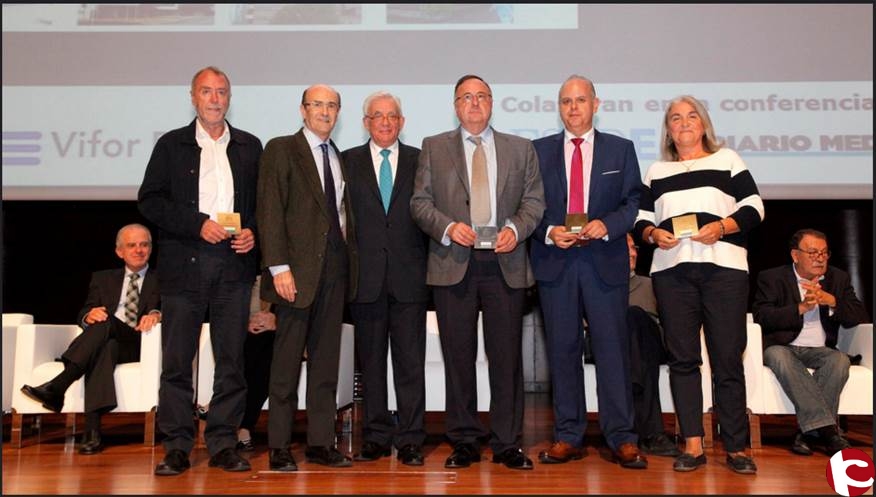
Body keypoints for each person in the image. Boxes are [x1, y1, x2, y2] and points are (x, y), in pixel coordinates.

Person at [410, 74, 545, 470]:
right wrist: (449, 228)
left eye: (481, 96)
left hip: (505, 262)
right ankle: (464, 440)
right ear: (456, 106)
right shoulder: (434, 147)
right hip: (454, 262)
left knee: (506, 358)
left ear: (492, 103)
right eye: (466, 97)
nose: (474, 103)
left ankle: (507, 442)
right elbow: (420, 203)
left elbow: (534, 202)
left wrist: (515, 230)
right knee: (458, 356)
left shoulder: (520, 149)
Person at [138, 66, 262, 475]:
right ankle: (176, 445)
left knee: (232, 361)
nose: (215, 99)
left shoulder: (249, 146)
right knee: (177, 362)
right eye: (207, 91)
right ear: (192, 97)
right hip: (185, 267)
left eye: (221, 92)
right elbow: (150, 200)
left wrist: (253, 232)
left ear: (230, 98)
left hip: (234, 267)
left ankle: (223, 442)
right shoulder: (171, 145)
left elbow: (263, 206)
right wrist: (197, 224)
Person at [634, 95, 764, 474]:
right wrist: (653, 234)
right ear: (668, 130)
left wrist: (722, 227)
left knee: (727, 358)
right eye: (675, 118)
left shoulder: (728, 160)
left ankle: (736, 447)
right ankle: (692, 443)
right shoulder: (656, 171)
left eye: (692, 116)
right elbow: (640, 220)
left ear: (704, 123)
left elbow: (755, 207)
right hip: (672, 273)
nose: (684, 122)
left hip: (724, 270)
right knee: (683, 360)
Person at [529, 75, 646, 470]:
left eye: (580, 100)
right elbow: (528, 205)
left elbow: (633, 202)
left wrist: (607, 225)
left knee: (612, 350)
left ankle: (622, 437)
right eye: (566, 101)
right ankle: (568, 435)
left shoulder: (620, 149)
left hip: (604, 262)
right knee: (562, 352)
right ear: (559, 107)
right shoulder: (538, 151)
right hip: (556, 263)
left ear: (596, 104)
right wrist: (549, 231)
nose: (573, 108)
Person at [257, 84, 358, 471]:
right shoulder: (281, 149)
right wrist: (278, 267)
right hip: (294, 276)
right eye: (317, 104)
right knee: (285, 366)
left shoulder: (338, 156)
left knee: (325, 365)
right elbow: (270, 210)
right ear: (302, 110)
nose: (325, 112)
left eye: (332, 105)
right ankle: (280, 446)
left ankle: (320, 443)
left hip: (334, 272)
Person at [20, 223, 161, 455]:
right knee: (105, 344)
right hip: (108, 342)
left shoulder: (164, 278)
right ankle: (92, 432)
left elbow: (176, 309)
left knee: (105, 325)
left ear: (151, 249)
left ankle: (60, 384)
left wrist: (156, 314)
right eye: (132, 245)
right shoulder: (102, 278)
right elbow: (84, 312)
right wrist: (89, 316)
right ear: (119, 252)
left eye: (144, 245)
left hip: (141, 342)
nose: (139, 250)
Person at [342, 91, 428, 466]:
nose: (386, 122)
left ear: (402, 122)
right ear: (366, 123)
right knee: (372, 366)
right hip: (366, 281)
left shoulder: (421, 161)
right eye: (378, 116)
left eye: (392, 116)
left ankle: (410, 438)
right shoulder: (346, 162)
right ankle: (375, 436)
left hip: (411, 279)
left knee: (410, 365)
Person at [752, 229, 869, 456]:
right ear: (795, 255)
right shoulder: (772, 277)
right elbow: (762, 317)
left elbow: (859, 315)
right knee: (779, 356)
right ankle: (829, 432)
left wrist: (832, 301)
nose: (820, 258)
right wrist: (801, 308)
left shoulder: (838, 278)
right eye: (813, 253)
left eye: (824, 253)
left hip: (821, 349)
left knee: (839, 360)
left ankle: (809, 433)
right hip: (782, 346)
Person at [624, 234, 682, 457]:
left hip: (652, 344)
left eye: (634, 248)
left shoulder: (651, 284)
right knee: (631, 327)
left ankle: (632, 427)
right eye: (626, 249)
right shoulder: (599, 288)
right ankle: (652, 434)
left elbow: (671, 321)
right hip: (613, 347)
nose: (633, 253)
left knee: (636, 317)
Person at [237, 275, 276, 452]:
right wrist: (246, 323)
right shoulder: (249, 277)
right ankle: (245, 427)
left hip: (290, 337)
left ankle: (217, 405)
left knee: (266, 347)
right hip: (252, 338)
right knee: (259, 345)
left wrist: (277, 322)